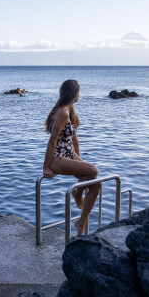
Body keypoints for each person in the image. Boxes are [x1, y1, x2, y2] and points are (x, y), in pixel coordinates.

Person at [43, 79, 101, 235]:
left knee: (96, 184)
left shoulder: (70, 110)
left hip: (69, 154)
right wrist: (46, 167)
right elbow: (52, 141)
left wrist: (80, 164)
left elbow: (74, 139)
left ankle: (81, 223)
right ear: (75, 94)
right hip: (57, 157)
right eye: (79, 92)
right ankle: (76, 192)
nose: (79, 95)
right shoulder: (62, 112)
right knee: (93, 170)